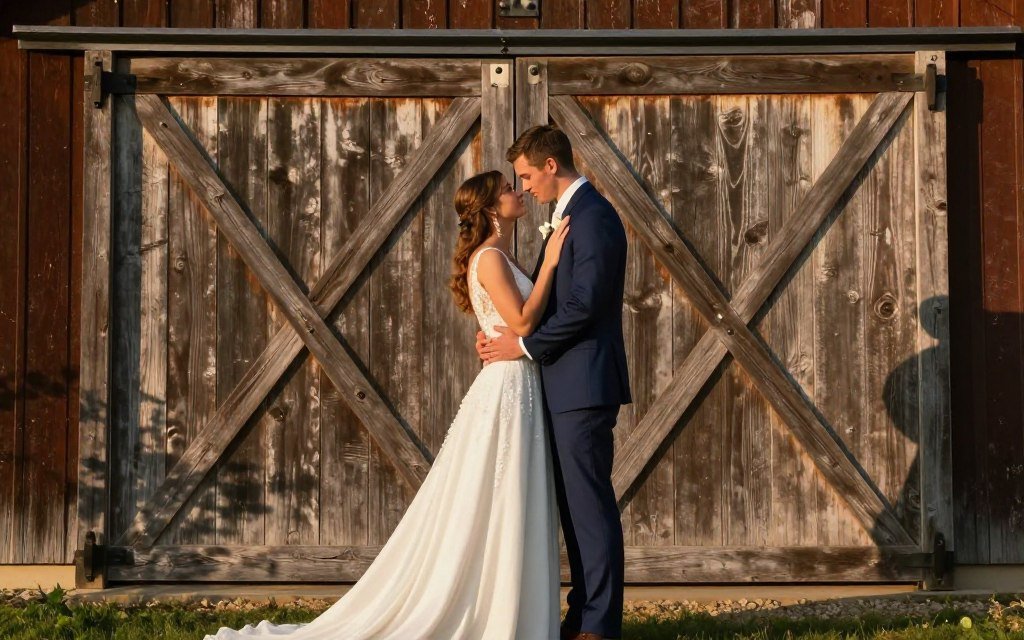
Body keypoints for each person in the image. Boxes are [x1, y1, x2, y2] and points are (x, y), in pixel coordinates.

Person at [202, 170, 571, 639]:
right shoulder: (491, 258)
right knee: (499, 491)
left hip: (516, 381)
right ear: (490, 208)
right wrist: (553, 263)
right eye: (506, 189)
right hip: (508, 385)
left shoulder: (500, 255)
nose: (517, 193)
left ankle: (512, 605)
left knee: (508, 493)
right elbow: (520, 320)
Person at [477, 124, 632, 640]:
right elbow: (538, 305)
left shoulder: (594, 217)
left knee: (590, 508)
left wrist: (521, 346)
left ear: (550, 165)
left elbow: (585, 304)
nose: (523, 188)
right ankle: (580, 615)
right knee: (573, 509)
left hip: (584, 384)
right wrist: (504, 339)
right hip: (559, 384)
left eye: (525, 176)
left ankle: (599, 626)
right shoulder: (567, 217)